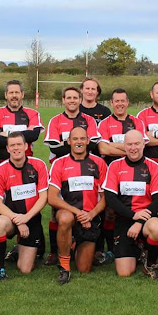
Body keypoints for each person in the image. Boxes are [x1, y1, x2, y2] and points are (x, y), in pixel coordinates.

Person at [43, 86, 100, 265]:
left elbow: (93, 144)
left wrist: (68, 144)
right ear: (63, 100)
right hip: (61, 169)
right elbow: (54, 147)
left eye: (75, 97)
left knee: (91, 205)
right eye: (68, 97)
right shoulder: (56, 120)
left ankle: (90, 247)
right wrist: (74, 148)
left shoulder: (89, 120)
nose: (72, 100)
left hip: (86, 167)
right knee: (58, 214)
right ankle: (55, 252)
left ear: (80, 99)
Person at [101, 130, 158, 280]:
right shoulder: (115, 166)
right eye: (129, 144)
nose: (133, 148)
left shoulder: (154, 166)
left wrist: (139, 221)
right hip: (124, 218)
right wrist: (133, 215)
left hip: (147, 218)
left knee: (157, 228)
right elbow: (110, 199)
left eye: (137, 144)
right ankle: (138, 250)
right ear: (124, 146)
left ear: (143, 144)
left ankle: (150, 263)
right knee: (124, 273)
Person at [47, 127, 107, 284]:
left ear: (87, 141)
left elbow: (105, 197)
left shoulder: (99, 163)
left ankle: (73, 244)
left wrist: (91, 214)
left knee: (84, 269)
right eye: (75, 139)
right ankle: (64, 266)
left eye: (82, 139)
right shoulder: (59, 163)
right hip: (69, 213)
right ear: (69, 141)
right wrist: (78, 212)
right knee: (65, 218)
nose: (78, 142)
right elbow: (52, 197)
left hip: (90, 217)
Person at [0, 132, 49, 280]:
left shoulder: (38, 165)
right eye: (12, 145)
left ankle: (18, 250)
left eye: (19, 144)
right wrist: (18, 219)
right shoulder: (0, 170)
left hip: (31, 218)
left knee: (25, 269)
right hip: (10, 218)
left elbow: (44, 197)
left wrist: (26, 218)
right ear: (7, 149)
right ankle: (0, 268)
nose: (16, 148)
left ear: (26, 146)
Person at [96, 88, 148, 263]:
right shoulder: (104, 123)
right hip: (112, 172)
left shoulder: (137, 122)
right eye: (116, 101)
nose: (120, 104)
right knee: (111, 211)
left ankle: (139, 245)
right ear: (111, 103)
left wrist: (115, 146)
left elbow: (142, 147)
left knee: (136, 206)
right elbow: (103, 149)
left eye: (122, 101)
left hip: (136, 171)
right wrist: (130, 149)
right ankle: (112, 248)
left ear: (127, 102)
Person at [0, 79, 43, 169]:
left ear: (22, 94)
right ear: (6, 95)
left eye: (17, 92)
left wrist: (5, 133)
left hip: (26, 165)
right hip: (1, 164)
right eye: (11, 93)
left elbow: (33, 136)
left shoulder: (33, 114)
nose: (14, 96)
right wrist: (24, 133)